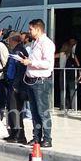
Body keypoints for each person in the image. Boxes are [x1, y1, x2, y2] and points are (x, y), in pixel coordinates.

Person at [17, 19, 55, 148]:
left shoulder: (47, 43)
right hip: (32, 81)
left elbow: (48, 64)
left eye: (31, 29)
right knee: (34, 111)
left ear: (38, 29)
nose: (29, 32)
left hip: (41, 81)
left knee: (43, 111)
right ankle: (37, 137)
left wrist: (31, 63)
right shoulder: (35, 43)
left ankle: (48, 138)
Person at [5, 34, 28, 143]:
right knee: (11, 110)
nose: (8, 42)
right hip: (11, 83)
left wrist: (15, 85)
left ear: (13, 40)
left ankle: (19, 135)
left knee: (15, 110)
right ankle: (13, 133)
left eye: (9, 40)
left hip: (16, 85)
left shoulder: (20, 51)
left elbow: (20, 71)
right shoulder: (15, 50)